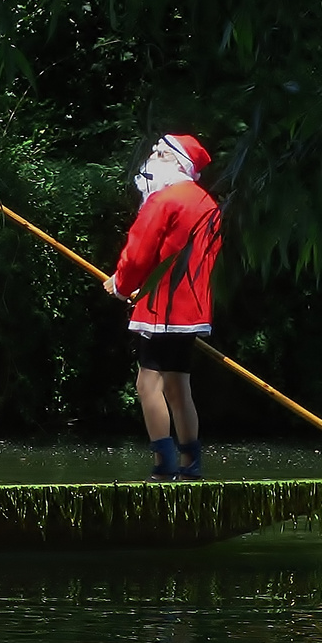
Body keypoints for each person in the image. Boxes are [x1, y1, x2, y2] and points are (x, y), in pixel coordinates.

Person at [104, 134, 222, 480]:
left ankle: (163, 466)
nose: (151, 158)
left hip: (162, 308)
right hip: (194, 310)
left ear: (177, 163)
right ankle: (191, 464)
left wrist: (122, 285)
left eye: (160, 153)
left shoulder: (163, 200)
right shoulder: (210, 205)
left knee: (148, 384)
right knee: (177, 385)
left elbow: (139, 250)